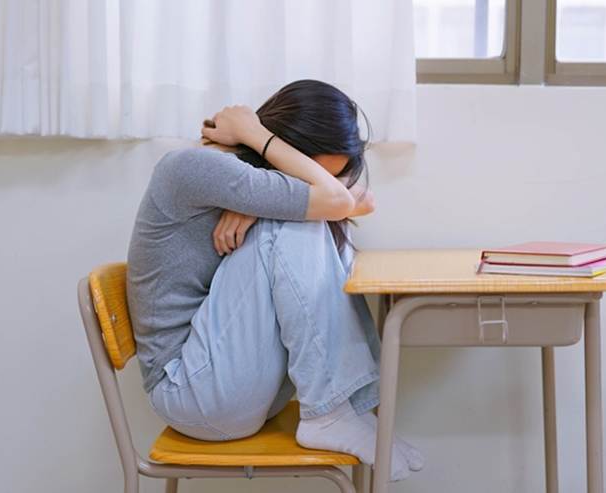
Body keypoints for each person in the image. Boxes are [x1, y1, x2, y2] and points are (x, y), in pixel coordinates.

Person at [127, 80, 423, 480]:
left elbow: (361, 198)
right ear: (285, 146)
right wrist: (255, 134)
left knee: (311, 216)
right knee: (296, 225)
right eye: (315, 172)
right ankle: (330, 413)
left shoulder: (246, 182)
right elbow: (336, 201)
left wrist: (275, 198)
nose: (325, 183)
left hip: (243, 386)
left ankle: (344, 408)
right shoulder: (192, 168)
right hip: (192, 393)